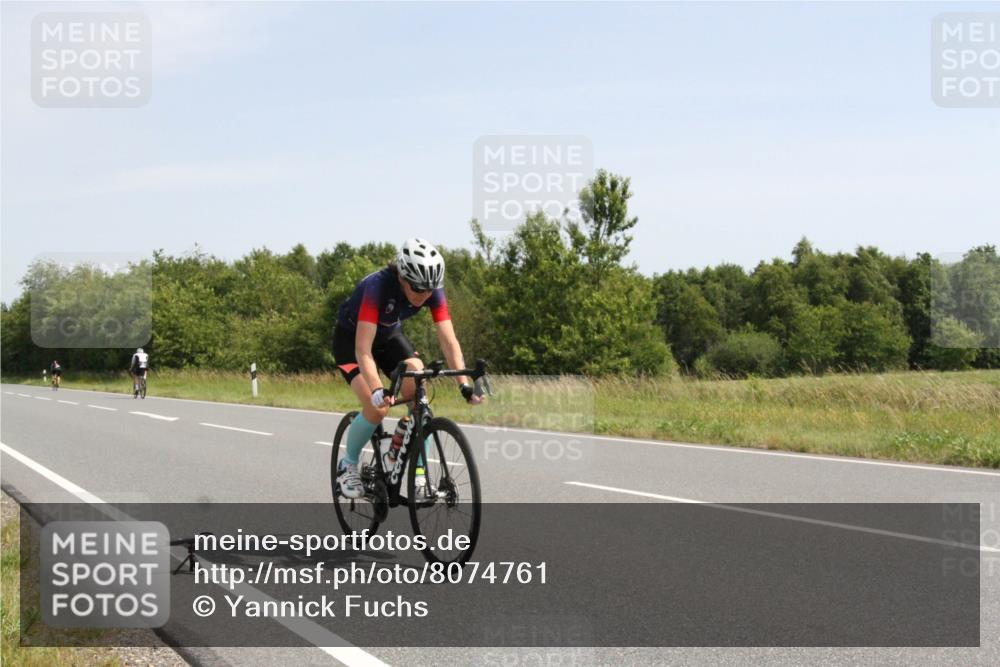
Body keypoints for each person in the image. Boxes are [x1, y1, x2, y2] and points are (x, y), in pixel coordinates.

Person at [333, 237, 483, 498]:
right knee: (377, 407)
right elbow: (363, 350)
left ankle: (418, 476)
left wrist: (464, 385)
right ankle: (347, 465)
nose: (425, 295)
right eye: (418, 289)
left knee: (418, 383)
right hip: (352, 340)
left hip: (389, 336)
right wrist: (378, 390)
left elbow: (448, 341)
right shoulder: (377, 287)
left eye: (430, 290)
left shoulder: (431, 289)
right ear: (402, 277)